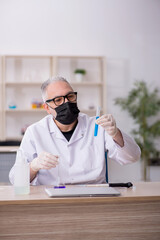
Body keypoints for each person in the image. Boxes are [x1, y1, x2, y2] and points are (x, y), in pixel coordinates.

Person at [9, 76, 141, 186]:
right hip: (50, 198)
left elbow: (132, 157)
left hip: (94, 198)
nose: (66, 103)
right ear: (47, 108)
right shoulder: (35, 132)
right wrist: (33, 166)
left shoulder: (97, 126)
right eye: (58, 100)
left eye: (70, 96)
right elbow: (16, 180)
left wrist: (115, 134)